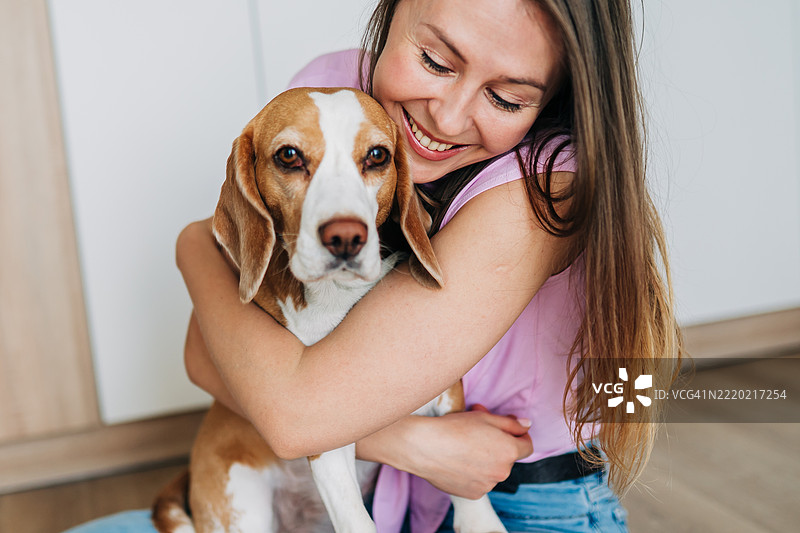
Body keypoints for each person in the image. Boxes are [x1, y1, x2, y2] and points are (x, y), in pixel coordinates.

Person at [66, 0, 682, 532]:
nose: (446, 117)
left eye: (506, 97)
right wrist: (412, 444)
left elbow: (293, 411)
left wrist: (196, 252)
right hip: (373, 486)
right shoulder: (326, 95)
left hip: (525, 499)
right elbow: (206, 358)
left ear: (555, 99)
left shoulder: (548, 189)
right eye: (435, 61)